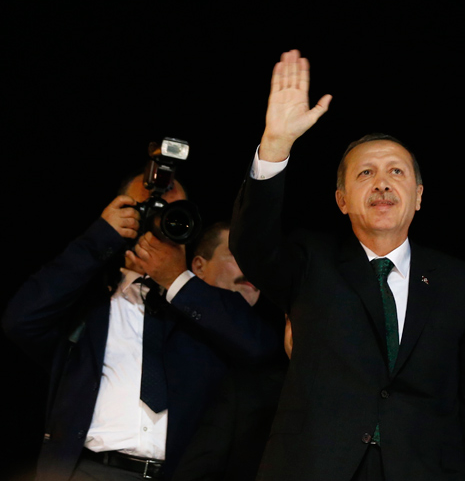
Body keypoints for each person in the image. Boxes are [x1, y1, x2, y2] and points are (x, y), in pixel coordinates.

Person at [228, 49, 465, 480]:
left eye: (396, 172)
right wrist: (276, 144)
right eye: (365, 174)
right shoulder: (310, 262)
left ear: (420, 195)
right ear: (341, 200)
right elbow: (252, 245)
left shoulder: (462, 284)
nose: (382, 184)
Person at [2, 169, 281, 481]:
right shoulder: (89, 303)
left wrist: (177, 280)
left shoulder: (202, 307)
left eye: (172, 212)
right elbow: (21, 319)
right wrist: (99, 238)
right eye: (148, 208)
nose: (159, 221)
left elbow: (261, 347)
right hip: (87, 469)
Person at [171, 222, 287, 481]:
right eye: (237, 256)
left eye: (256, 261)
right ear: (199, 266)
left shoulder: (269, 347)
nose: (252, 270)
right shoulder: (168, 329)